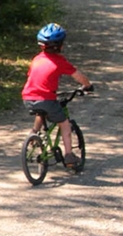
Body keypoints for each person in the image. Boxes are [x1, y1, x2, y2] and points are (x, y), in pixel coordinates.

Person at [22, 23, 93, 168]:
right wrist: (88, 85)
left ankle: (33, 135)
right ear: (60, 45)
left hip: (28, 98)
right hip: (47, 100)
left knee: (40, 111)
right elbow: (79, 76)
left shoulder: (36, 59)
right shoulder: (59, 61)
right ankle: (69, 156)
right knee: (65, 125)